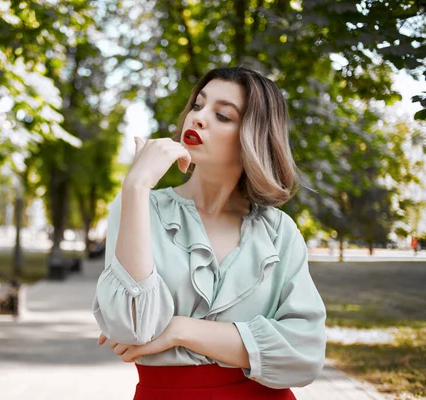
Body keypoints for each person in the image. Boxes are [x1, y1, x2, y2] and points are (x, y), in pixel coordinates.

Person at [92, 66, 326, 400]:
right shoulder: (138, 205)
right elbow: (131, 327)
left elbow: (305, 355)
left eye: (222, 115)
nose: (198, 118)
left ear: (253, 136)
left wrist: (180, 329)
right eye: (198, 105)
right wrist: (137, 183)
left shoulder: (277, 232)